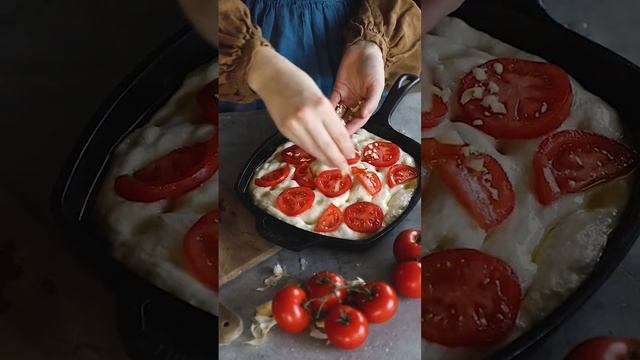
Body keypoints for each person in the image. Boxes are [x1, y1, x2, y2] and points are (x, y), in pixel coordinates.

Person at [218, 0, 420, 173]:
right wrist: (259, 68)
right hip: (245, 31)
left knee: (353, 115)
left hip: (350, 31)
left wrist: (371, 44)